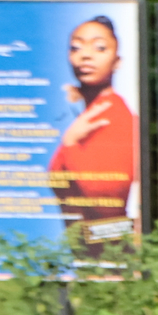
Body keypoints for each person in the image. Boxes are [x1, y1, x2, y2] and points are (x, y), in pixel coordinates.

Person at [49, 16, 138, 258]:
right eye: (76, 47)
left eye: (100, 48)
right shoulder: (88, 117)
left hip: (109, 255)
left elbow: (104, 199)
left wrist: (70, 144)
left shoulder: (113, 116)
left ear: (117, 61)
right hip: (89, 254)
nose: (85, 55)